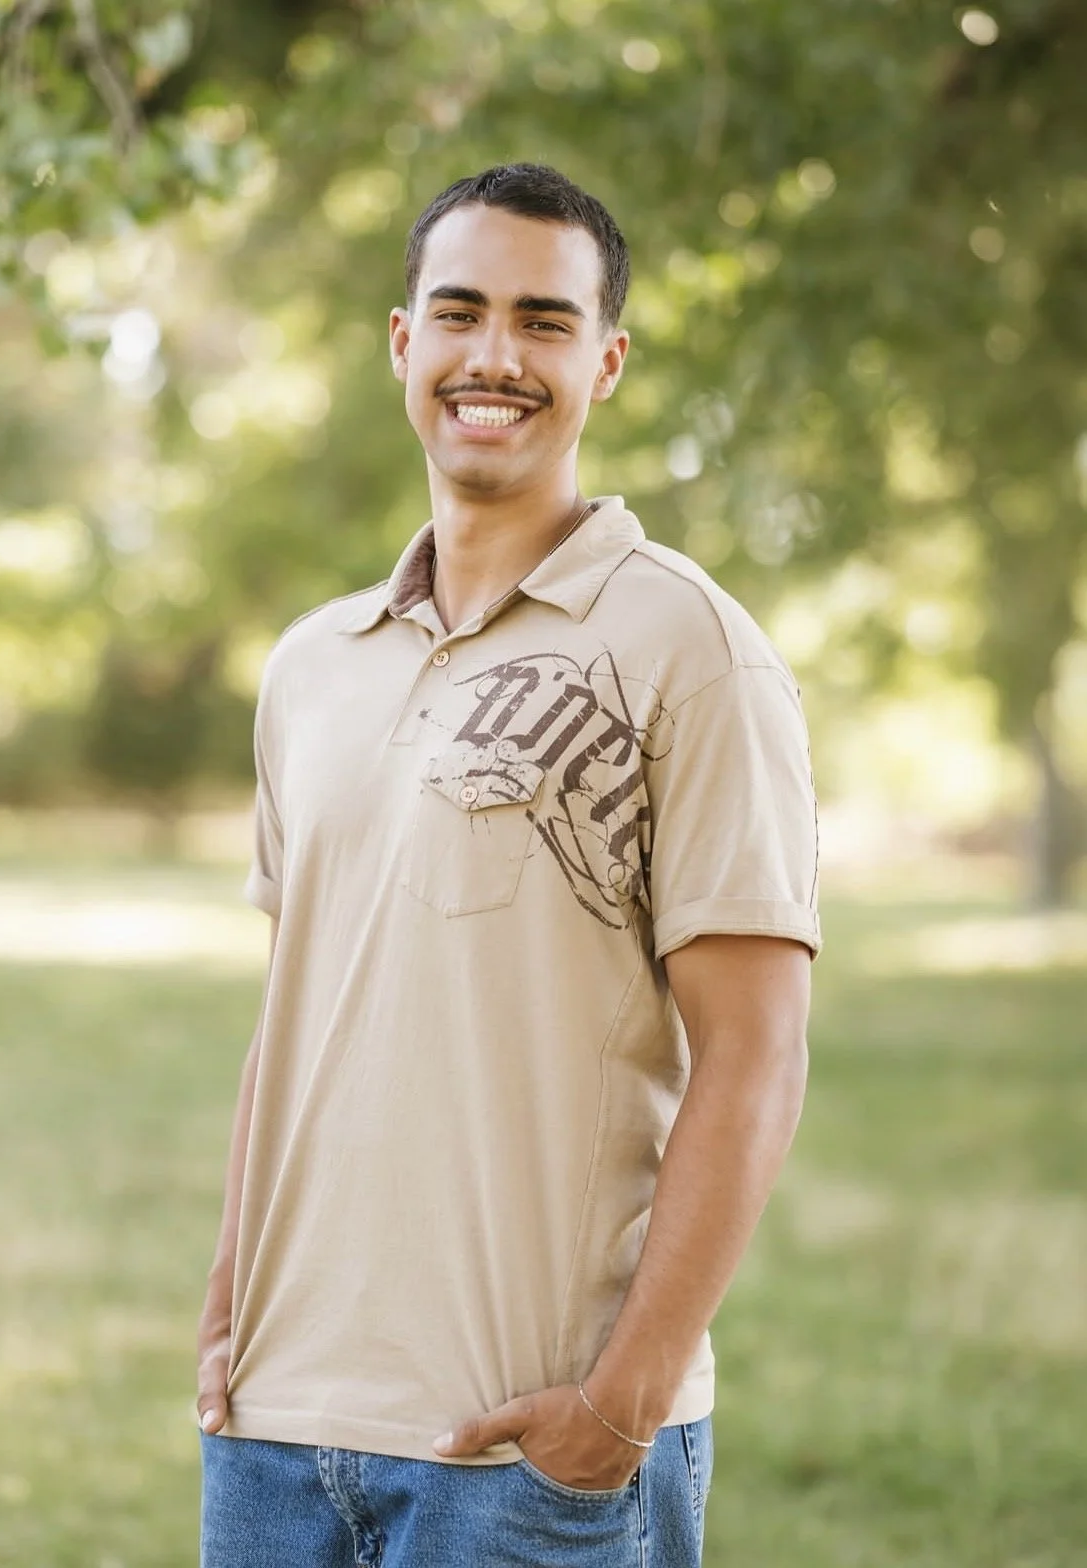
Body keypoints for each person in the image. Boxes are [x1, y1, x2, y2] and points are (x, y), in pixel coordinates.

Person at [196, 162, 820, 1567]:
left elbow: (757, 1053)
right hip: (271, 1430)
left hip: (522, 1452)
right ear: (401, 343)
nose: (495, 357)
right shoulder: (310, 667)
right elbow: (298, 1015)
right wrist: (230, 1315)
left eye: (543, 322)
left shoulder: (690, 650)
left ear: (604, 361)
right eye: (460, 312)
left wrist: (619, 1405)